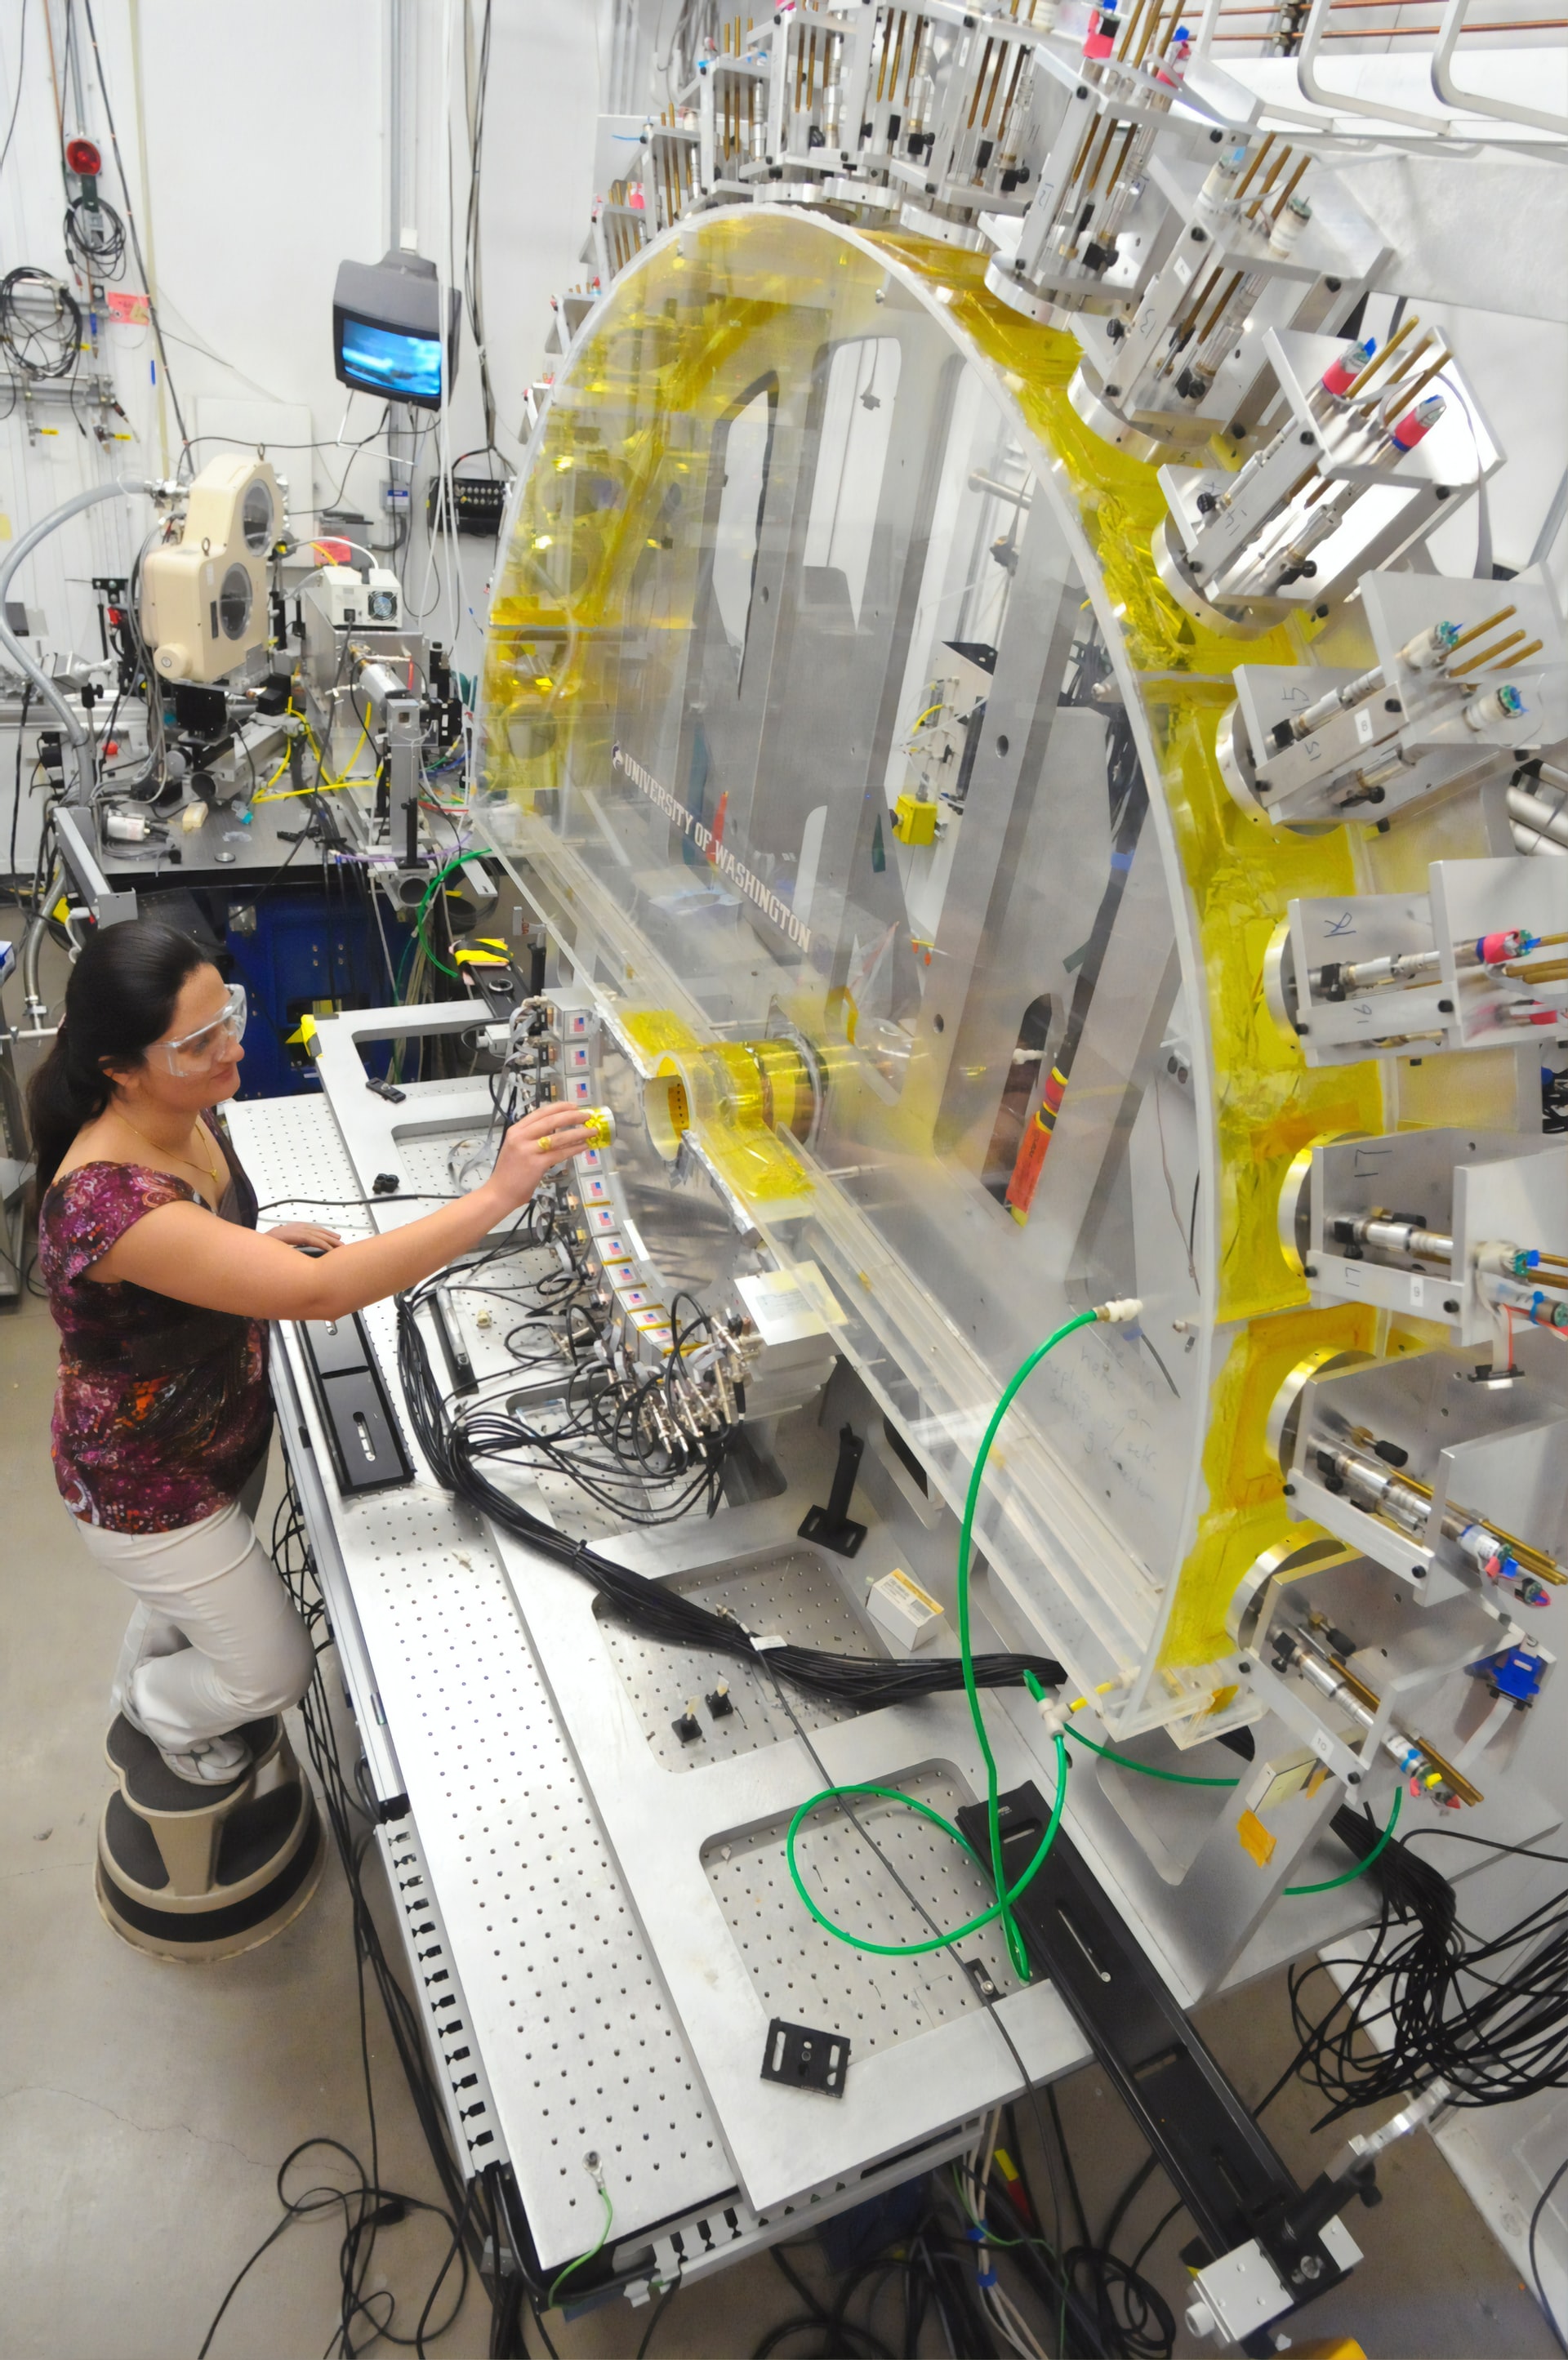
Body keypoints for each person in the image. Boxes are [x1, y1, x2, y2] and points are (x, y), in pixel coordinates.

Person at [27, 920, 588, 1786]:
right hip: (145, 1483)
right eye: (198, 1041)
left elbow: (199, 1237)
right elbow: (323, 1293)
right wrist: (498, 1193)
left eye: (230, 1015)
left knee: (194, 1606)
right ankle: (154, 1706)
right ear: (119, 1069)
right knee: (273, 1670)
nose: (231, 1050)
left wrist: (244, 1243)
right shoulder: (110, 1207)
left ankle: (167, 1649)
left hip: (214, 1430)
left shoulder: (175, 1102)